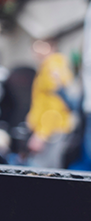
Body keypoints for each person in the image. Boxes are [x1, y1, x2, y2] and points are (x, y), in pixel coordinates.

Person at [26, 40, 76, 168]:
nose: (36, 50)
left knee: (41, 172)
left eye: (41, 46)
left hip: (51, 130)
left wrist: (42, 134)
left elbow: (55, 104)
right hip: (52, 129)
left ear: (51, 47)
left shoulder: (51, 67)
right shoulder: (52, 65)